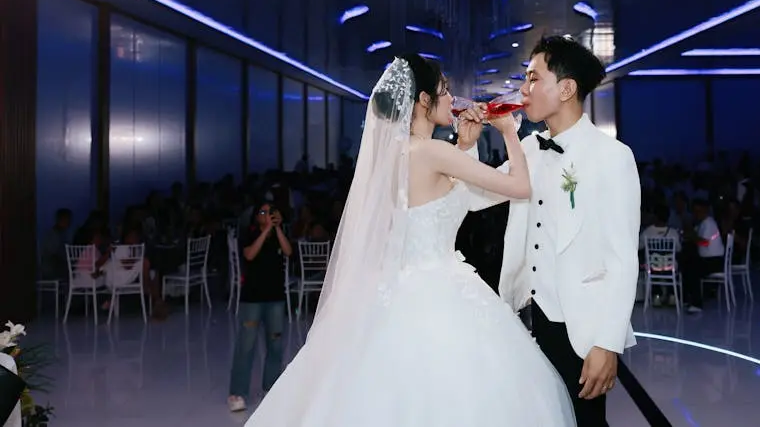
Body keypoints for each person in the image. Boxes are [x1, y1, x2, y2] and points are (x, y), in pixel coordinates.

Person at [245, 54, 575, 426]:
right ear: (423, 100)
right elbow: (519, 187)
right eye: (444, 91)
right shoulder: (433, 151)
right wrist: (509, 131)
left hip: (397, 290)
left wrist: (465, 147)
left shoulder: (396, 158)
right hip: (441, 292)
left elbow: (449, 200)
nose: (452, 99)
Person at [460, 35, 641, 427]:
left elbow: (623, 259)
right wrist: (467, 146)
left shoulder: (612, 157)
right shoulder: (528, 147)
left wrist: (607, 343)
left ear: (566, 89)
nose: (523, 90)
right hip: (526, 318)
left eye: (533, 78)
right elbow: (474, 199)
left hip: (580, 325)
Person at [228, 202, 292, 412]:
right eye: (263, 212)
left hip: (275, 298)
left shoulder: (278, 235)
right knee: (246, 346)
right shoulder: (250, 233)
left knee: (275, 345)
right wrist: (265, 231)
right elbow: (249, 254)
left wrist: (277, 229)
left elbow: (288, 251)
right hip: (252, 299)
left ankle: (270, 387)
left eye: (270, 211)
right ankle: (237, 393)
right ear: (256, 217)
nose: (267, 215)